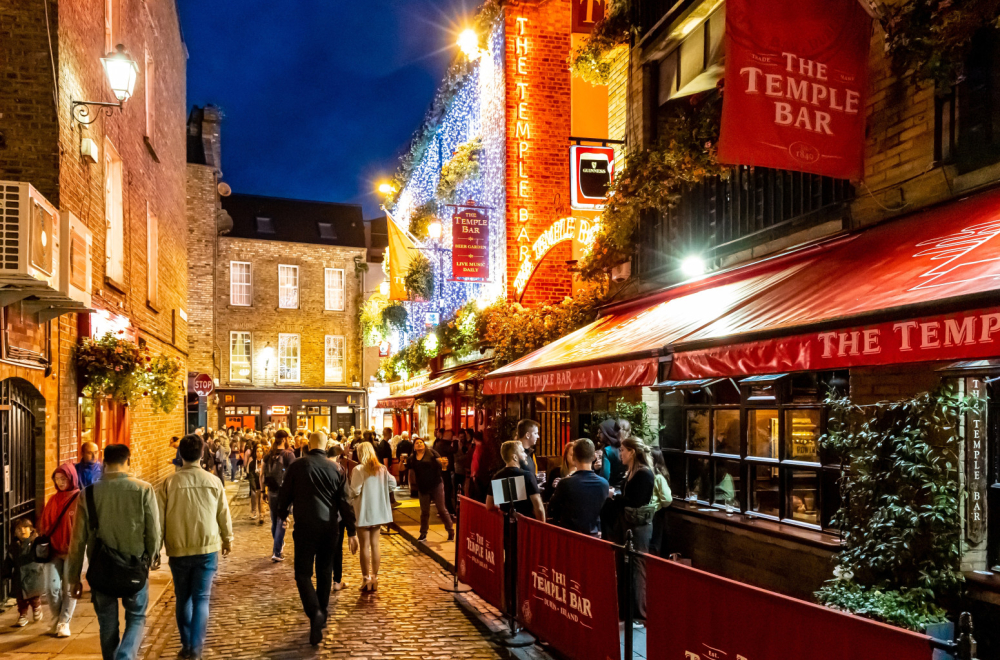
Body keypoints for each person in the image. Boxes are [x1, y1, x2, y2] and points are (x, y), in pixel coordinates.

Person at [68, 443, 161, 660]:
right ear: (127, 461)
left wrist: (73, 577)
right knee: (137, 617)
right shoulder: (144, 489)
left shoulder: (88, 494)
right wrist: (152, 557)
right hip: (135, 565)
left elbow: (77, 541)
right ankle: (126, 655)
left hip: (101, 569)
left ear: (105, 462)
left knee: (107, 625)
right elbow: (153, 531)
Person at [156, 435, 233, 660]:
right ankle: (196, 649)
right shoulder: (213, 481)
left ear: (180, 454)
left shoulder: (169, 483)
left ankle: (186, 643)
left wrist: (155, 548)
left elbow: (158, 519)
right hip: (207, 547)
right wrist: (228, 539)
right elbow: (223, 513)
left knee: (183, 598)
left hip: (178, 548)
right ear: (202, 454)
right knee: (201, 598)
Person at [278, 431, 358, 646]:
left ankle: (315, 612)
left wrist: (282, 514)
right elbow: (345, 502)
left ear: (309, 445)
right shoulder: (336, 469)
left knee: (303, 573)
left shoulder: (297, 466)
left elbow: (284, 494)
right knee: (325, 571)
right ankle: (321, 611)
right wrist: (351, 531)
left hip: (305, 526)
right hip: (329, 526)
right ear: (325, 445)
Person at [609, 438, 655, 626]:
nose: (620, 454)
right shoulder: (632, 472)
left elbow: (635, 501)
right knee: (629, 566)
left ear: (633, 452)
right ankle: (628, 610)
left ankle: (639, 614)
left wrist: (615, 496)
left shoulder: (643, 474)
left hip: (638, 526)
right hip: (628, 524)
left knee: (637, 566)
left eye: (623, 450)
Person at [38, 462, 81, 637]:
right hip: (54, 551)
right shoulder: (53, 500)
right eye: (57, 479)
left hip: (72, 551)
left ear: (71, 478)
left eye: (64, 479)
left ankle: (64, 622)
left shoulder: (80, 498)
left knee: (69, 589)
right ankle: (57, 619)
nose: (61, 482)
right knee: (50, 588)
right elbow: (45, 524)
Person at [350, 442, 396, 592]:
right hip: (377, 511)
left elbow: (355, 491)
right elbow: (393, 483)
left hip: (363, 510)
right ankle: (375, 577)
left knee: (364, 545)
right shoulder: (381, 468)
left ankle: (365, 578)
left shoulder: (359, 469)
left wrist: (348, 497)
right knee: (375, 545)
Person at [547, 439, 609, 537]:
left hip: (570, 537)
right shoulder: (604, 484)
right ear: (594, 457)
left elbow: (552, 509)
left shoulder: (565, 483)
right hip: (594, 538)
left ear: (574, 457)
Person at [406, 436, 454, 542]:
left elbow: (442, 464)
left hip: (436, 484)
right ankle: (423, 533)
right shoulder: (412, 458)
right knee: (424, 511)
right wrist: (401, 461)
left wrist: (443, 463)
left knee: (441, 509)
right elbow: (405, 468)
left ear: (424, 444)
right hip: (423, 487)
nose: (419, 444)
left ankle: (450, 531)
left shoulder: (432, 453)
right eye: (417, 443)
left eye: (421, 442)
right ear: (414, 447)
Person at [486, 441, 545, 521]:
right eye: (522, 452)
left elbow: (489, 505)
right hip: (525, 525)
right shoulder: (527, 476)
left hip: (506, 526)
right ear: (515, 457)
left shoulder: (497, 477)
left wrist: (502, 508)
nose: (525, 455)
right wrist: (542, 528)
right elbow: (538, 507)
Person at [3, 518, 45, 627]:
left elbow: (38, 555)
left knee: (34, 598)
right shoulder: (13, 546)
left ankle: (37, 609)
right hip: (19, 577)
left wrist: (27, 542)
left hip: (34, 576)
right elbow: (9, 560)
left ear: (31, 529)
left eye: (25, 528)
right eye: (19, 529)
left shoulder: (35, 542)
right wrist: (5, 572)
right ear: (14, 532)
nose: (22, 531)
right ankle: (23, 614)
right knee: (21, 599)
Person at [264, 430, 296, 561]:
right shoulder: (289, 455)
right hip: (284, 492)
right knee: (281, 520)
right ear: (284, 439)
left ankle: (278, 544)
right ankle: (277, 551)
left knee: (274, 520)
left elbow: (262, 474)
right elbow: (294, 475)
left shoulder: (268, 455)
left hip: (271, 490)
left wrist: (262, 491)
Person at [325, 443, 349, 591]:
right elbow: (345, 498)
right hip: (337, 516)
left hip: (322, 515)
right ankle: (336, 581)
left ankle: (327, 580)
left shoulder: (320, 468)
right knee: (337, 548)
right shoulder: (339, 470)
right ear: (339, 457)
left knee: (325, 549)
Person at [648, 448, 674, 557]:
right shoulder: (658, 476)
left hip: (655, 514)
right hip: (657, 512)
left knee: (654, 543)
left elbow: (667, 499)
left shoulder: (656, 476)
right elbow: (667, 500)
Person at [247, 445, 266, 523]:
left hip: (262, 483)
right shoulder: (252, 463)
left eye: (260, 451)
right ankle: (254, 512)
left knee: (262, 500)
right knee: (254, 496)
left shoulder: (264, 462)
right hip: (255, 482)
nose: (259, 453)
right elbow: (250, 474)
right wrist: (253, 484)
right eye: (257, 451)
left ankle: (261, 515)